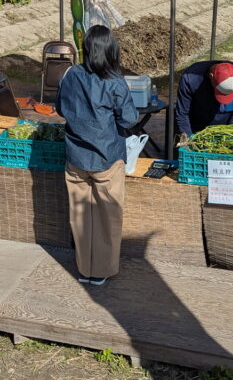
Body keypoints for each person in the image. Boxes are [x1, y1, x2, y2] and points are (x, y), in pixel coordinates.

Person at [56, 25, 139, 286]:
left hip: (76, 157)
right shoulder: (115, 81)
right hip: (106, 157)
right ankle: (100, 271)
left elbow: (61, 108)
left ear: (86, 48)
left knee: (80, 214)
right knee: (107, 216)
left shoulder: (71, 74)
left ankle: (85, 269)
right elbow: (129, 119)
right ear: (111, 49)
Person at [175, 60, 233, 137]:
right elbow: (182, 113)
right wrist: (189, 137)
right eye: (221, 92)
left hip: (225, 128)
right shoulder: (190, 78)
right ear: (211, 76)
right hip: (196, 123)